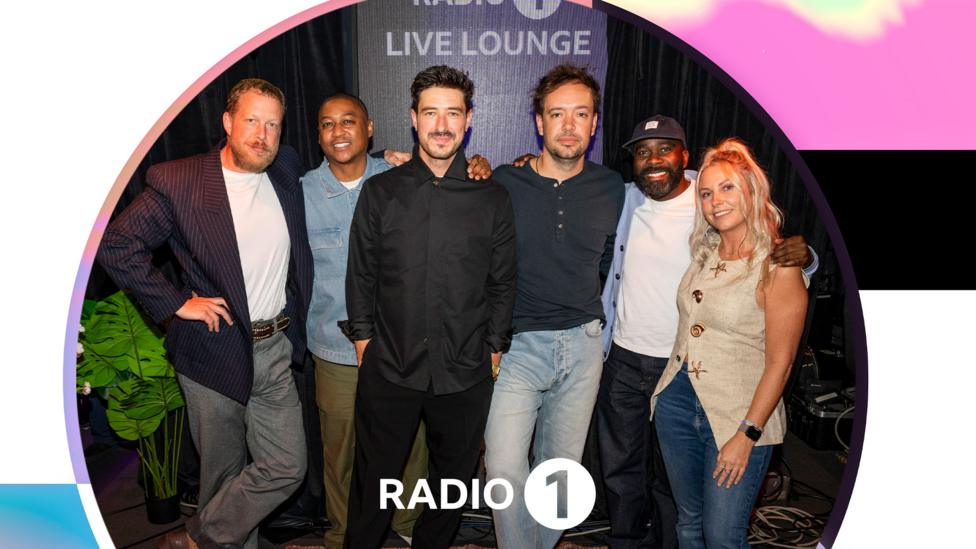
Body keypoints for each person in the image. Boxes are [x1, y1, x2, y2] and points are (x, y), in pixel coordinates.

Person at [97, 78, 313, 549]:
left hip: (275, 349)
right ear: (228, 122)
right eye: (252, 120)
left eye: (273, 124)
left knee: (287, 465)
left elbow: (336, 168)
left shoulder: (284, 170)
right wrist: (175, 304)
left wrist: (389, 160)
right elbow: (117, 245)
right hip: (215, 349)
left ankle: (198, 538)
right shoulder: (179, 180)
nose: (262, 134)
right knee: (223, 474)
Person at [597, 116, 816, 549]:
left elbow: (782, 351)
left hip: (713, 391)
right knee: (649, 491)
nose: (654, 160)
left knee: (707, 521)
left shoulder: (730, 222)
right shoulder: (634, 207)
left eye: (665, 149)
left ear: (684, 156)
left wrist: (805, 257)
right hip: (645, 370)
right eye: (642, 152)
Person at [302, 92, 491, 548]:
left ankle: (407, 532)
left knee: (413, 456)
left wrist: (479, 165)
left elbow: (455, 184)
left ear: (371, 128)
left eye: (349, 121)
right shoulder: (300, 190)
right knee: (343, 456)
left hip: (400, 350)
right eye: (327, 124)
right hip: (335, 346)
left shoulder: (399, 175)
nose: (338, 131)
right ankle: (343, 537)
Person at [342, 65, 517, 549]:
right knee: (375, 485)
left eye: (453, 113)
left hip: (465, 370)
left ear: (469, 120)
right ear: (413, 118)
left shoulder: (492, 197)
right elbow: (361, 271)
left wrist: (495, 347)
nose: (442, 125)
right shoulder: (381, 191)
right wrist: (362, 338)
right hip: (390, 366)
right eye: (431, 113)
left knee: (449, 487)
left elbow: (503, 281)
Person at [484, 63, 625, 549]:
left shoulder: (613, 189)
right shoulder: (504, 181)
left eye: (580, 114)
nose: (568, 125)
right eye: (557, 114)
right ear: (539, 123)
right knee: (503, 467)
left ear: (594, 123)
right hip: (518, 348)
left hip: (584, 348)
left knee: (559, 477)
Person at [650, 138, 808, 548]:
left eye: (727, 188)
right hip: (677, 403)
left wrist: (747, 434)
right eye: (706, 192)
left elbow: (782, 363)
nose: (715, 201)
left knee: (722, 535)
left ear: (751, 191)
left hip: (739, 417)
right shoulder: (703, 250)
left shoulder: (780, 264)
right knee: (689, 523)